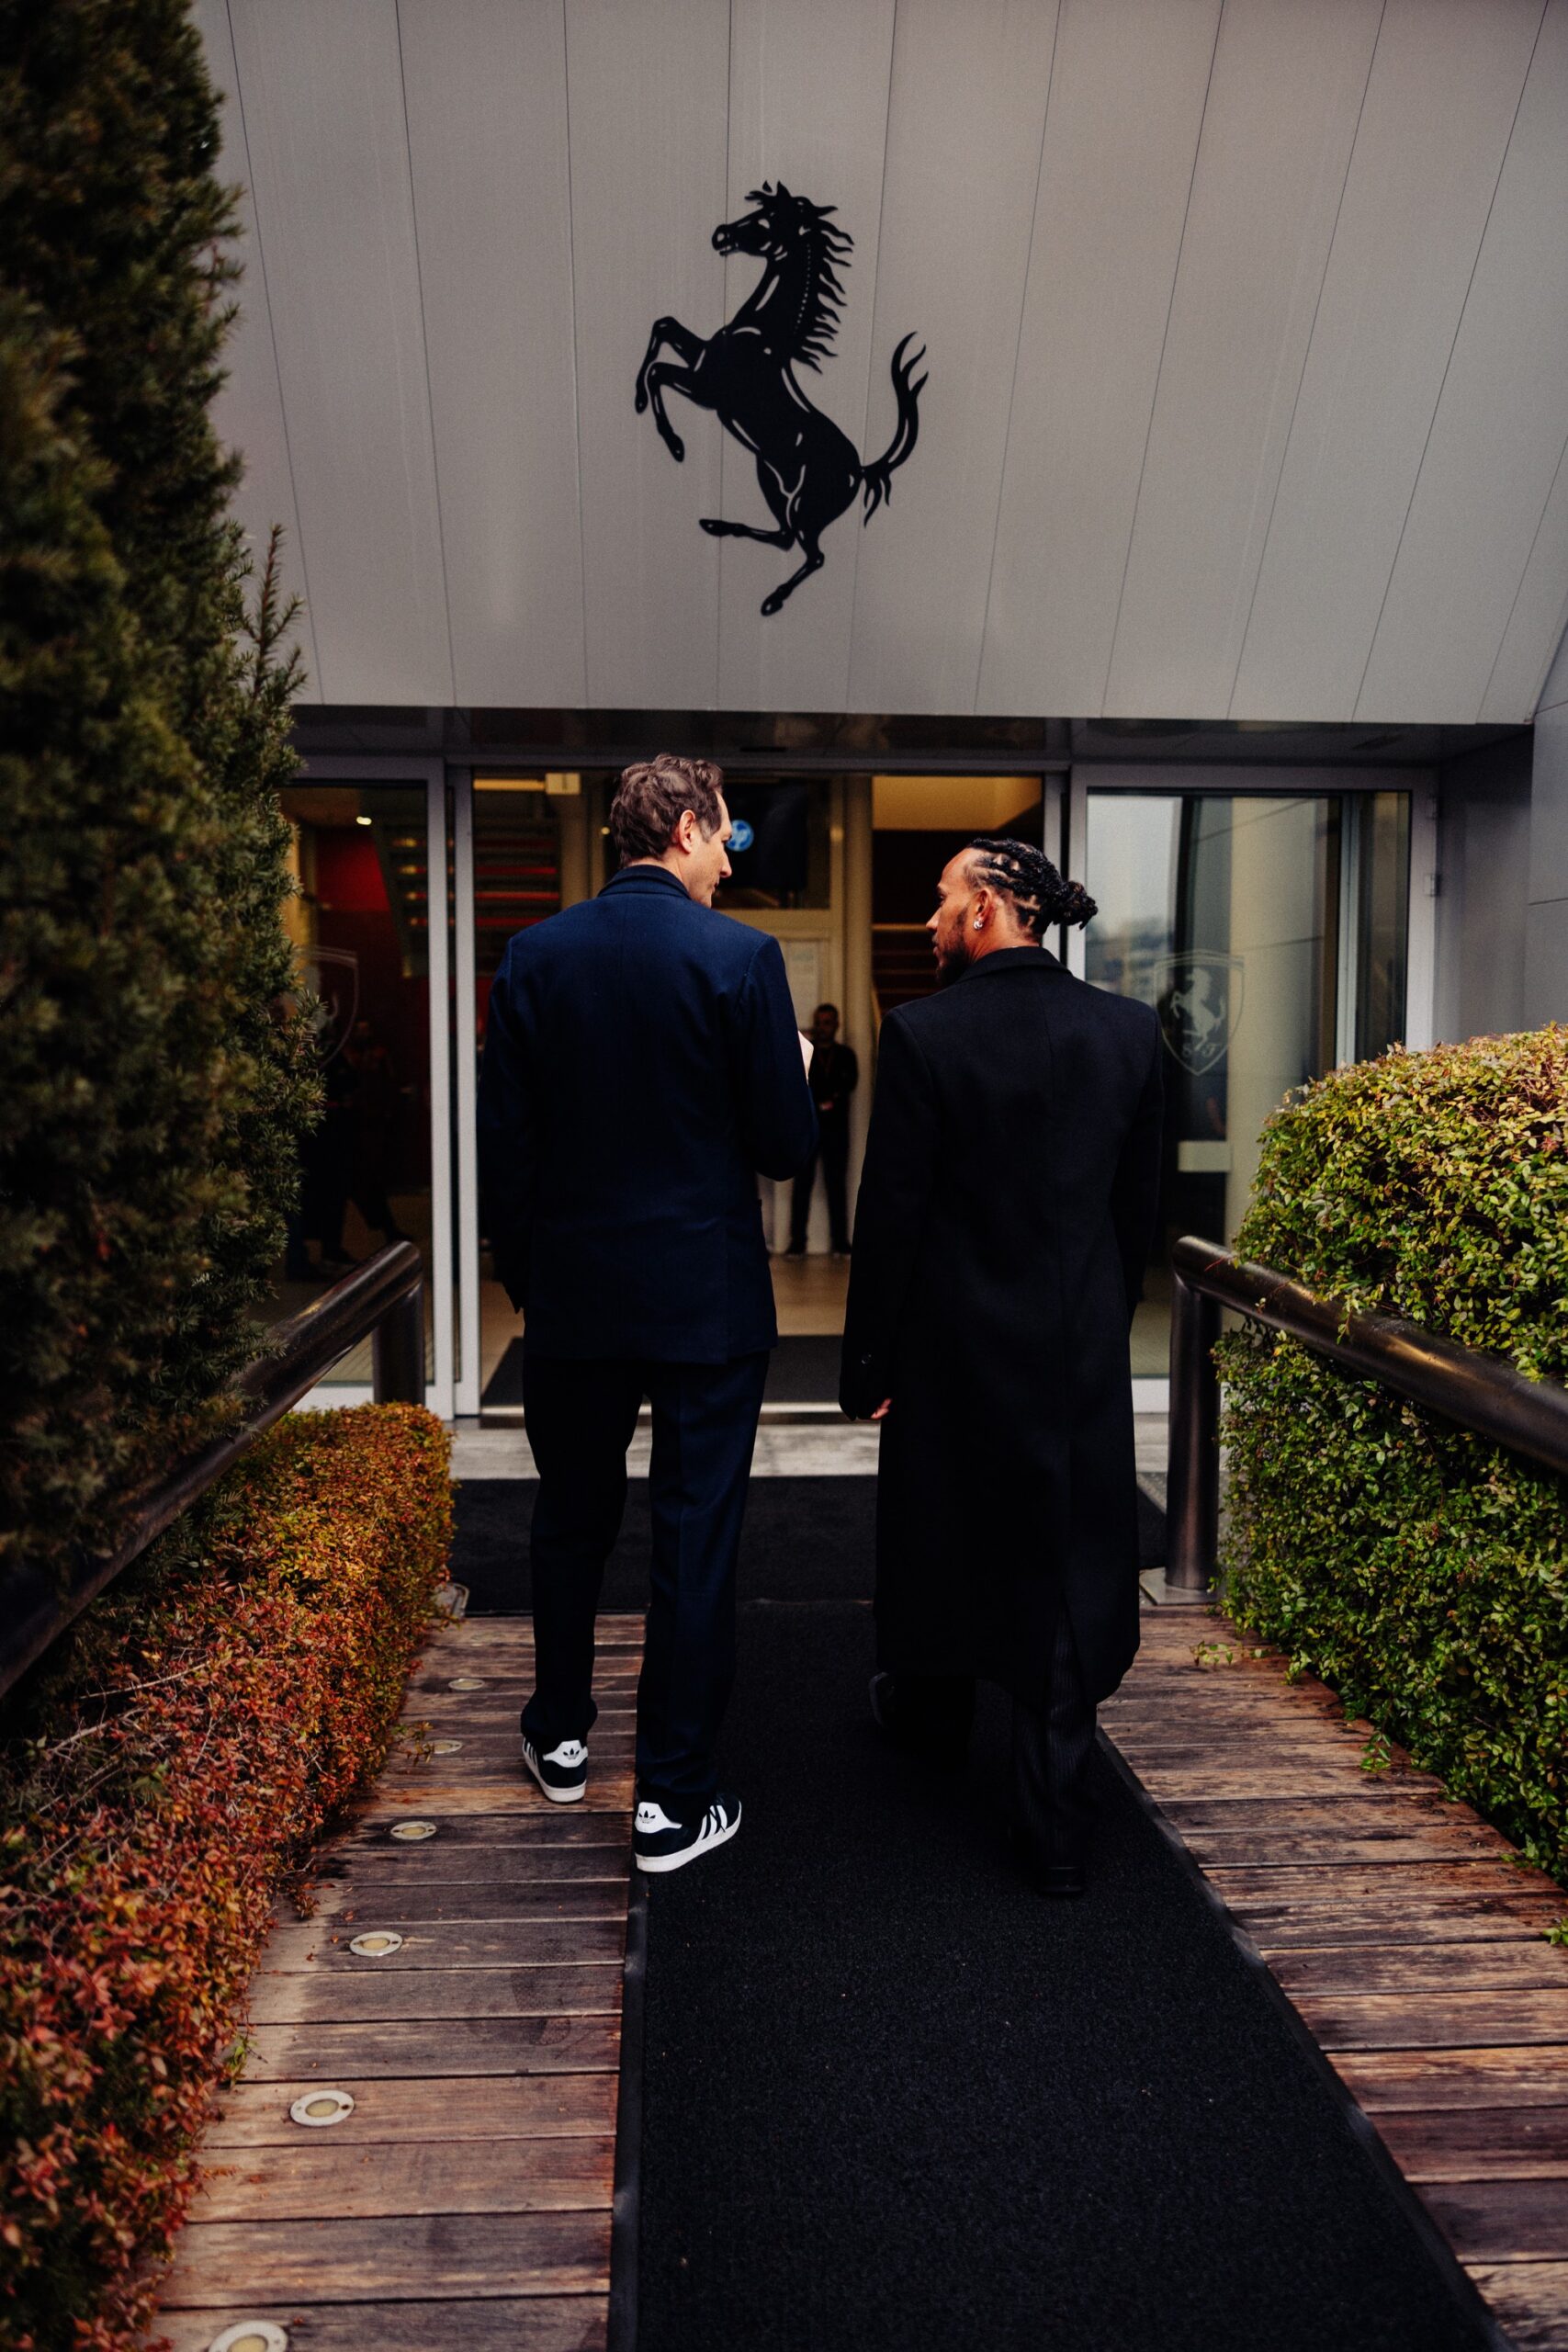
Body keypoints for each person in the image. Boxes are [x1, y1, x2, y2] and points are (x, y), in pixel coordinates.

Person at [478, 754, 817, 1873]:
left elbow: (505, 1148)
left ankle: (560, 1736)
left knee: (570, 1518)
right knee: (693, 1535)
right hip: (705, 1303)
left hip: (574, 1299)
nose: (728, 859)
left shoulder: (535, 955)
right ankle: (672, 1799)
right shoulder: (740, 958)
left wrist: (533, 1283)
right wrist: (791, 1067)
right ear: (680, 830)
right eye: (722, 836)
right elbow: (784, 1146)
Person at [840, 835, 1162, 1896]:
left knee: (945, 1531)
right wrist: (1098, 1316)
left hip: (954, 1348)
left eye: (941, 901)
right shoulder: (1128, 1031)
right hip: (1074, 1351)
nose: (929, 920)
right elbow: (1138, 1210)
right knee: (1065, 1553)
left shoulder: (925, 1033)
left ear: (986, 908)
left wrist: (870, 1362)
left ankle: (931, 1720)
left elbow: (893, 1217)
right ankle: (1056, 1829)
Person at [787, 1002, 858, 1257]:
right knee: (802, 1184)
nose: (822, 1028)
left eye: (827, 1023)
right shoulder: (808, 1052)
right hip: (810, 1126)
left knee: (836, 1184)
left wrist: (831, 1100)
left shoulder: (845, 1055)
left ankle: (840, 1241)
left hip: (836, 1129)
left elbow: (849, 1083)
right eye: (819, 1022)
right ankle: (797, 1242)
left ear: (836, 1024)